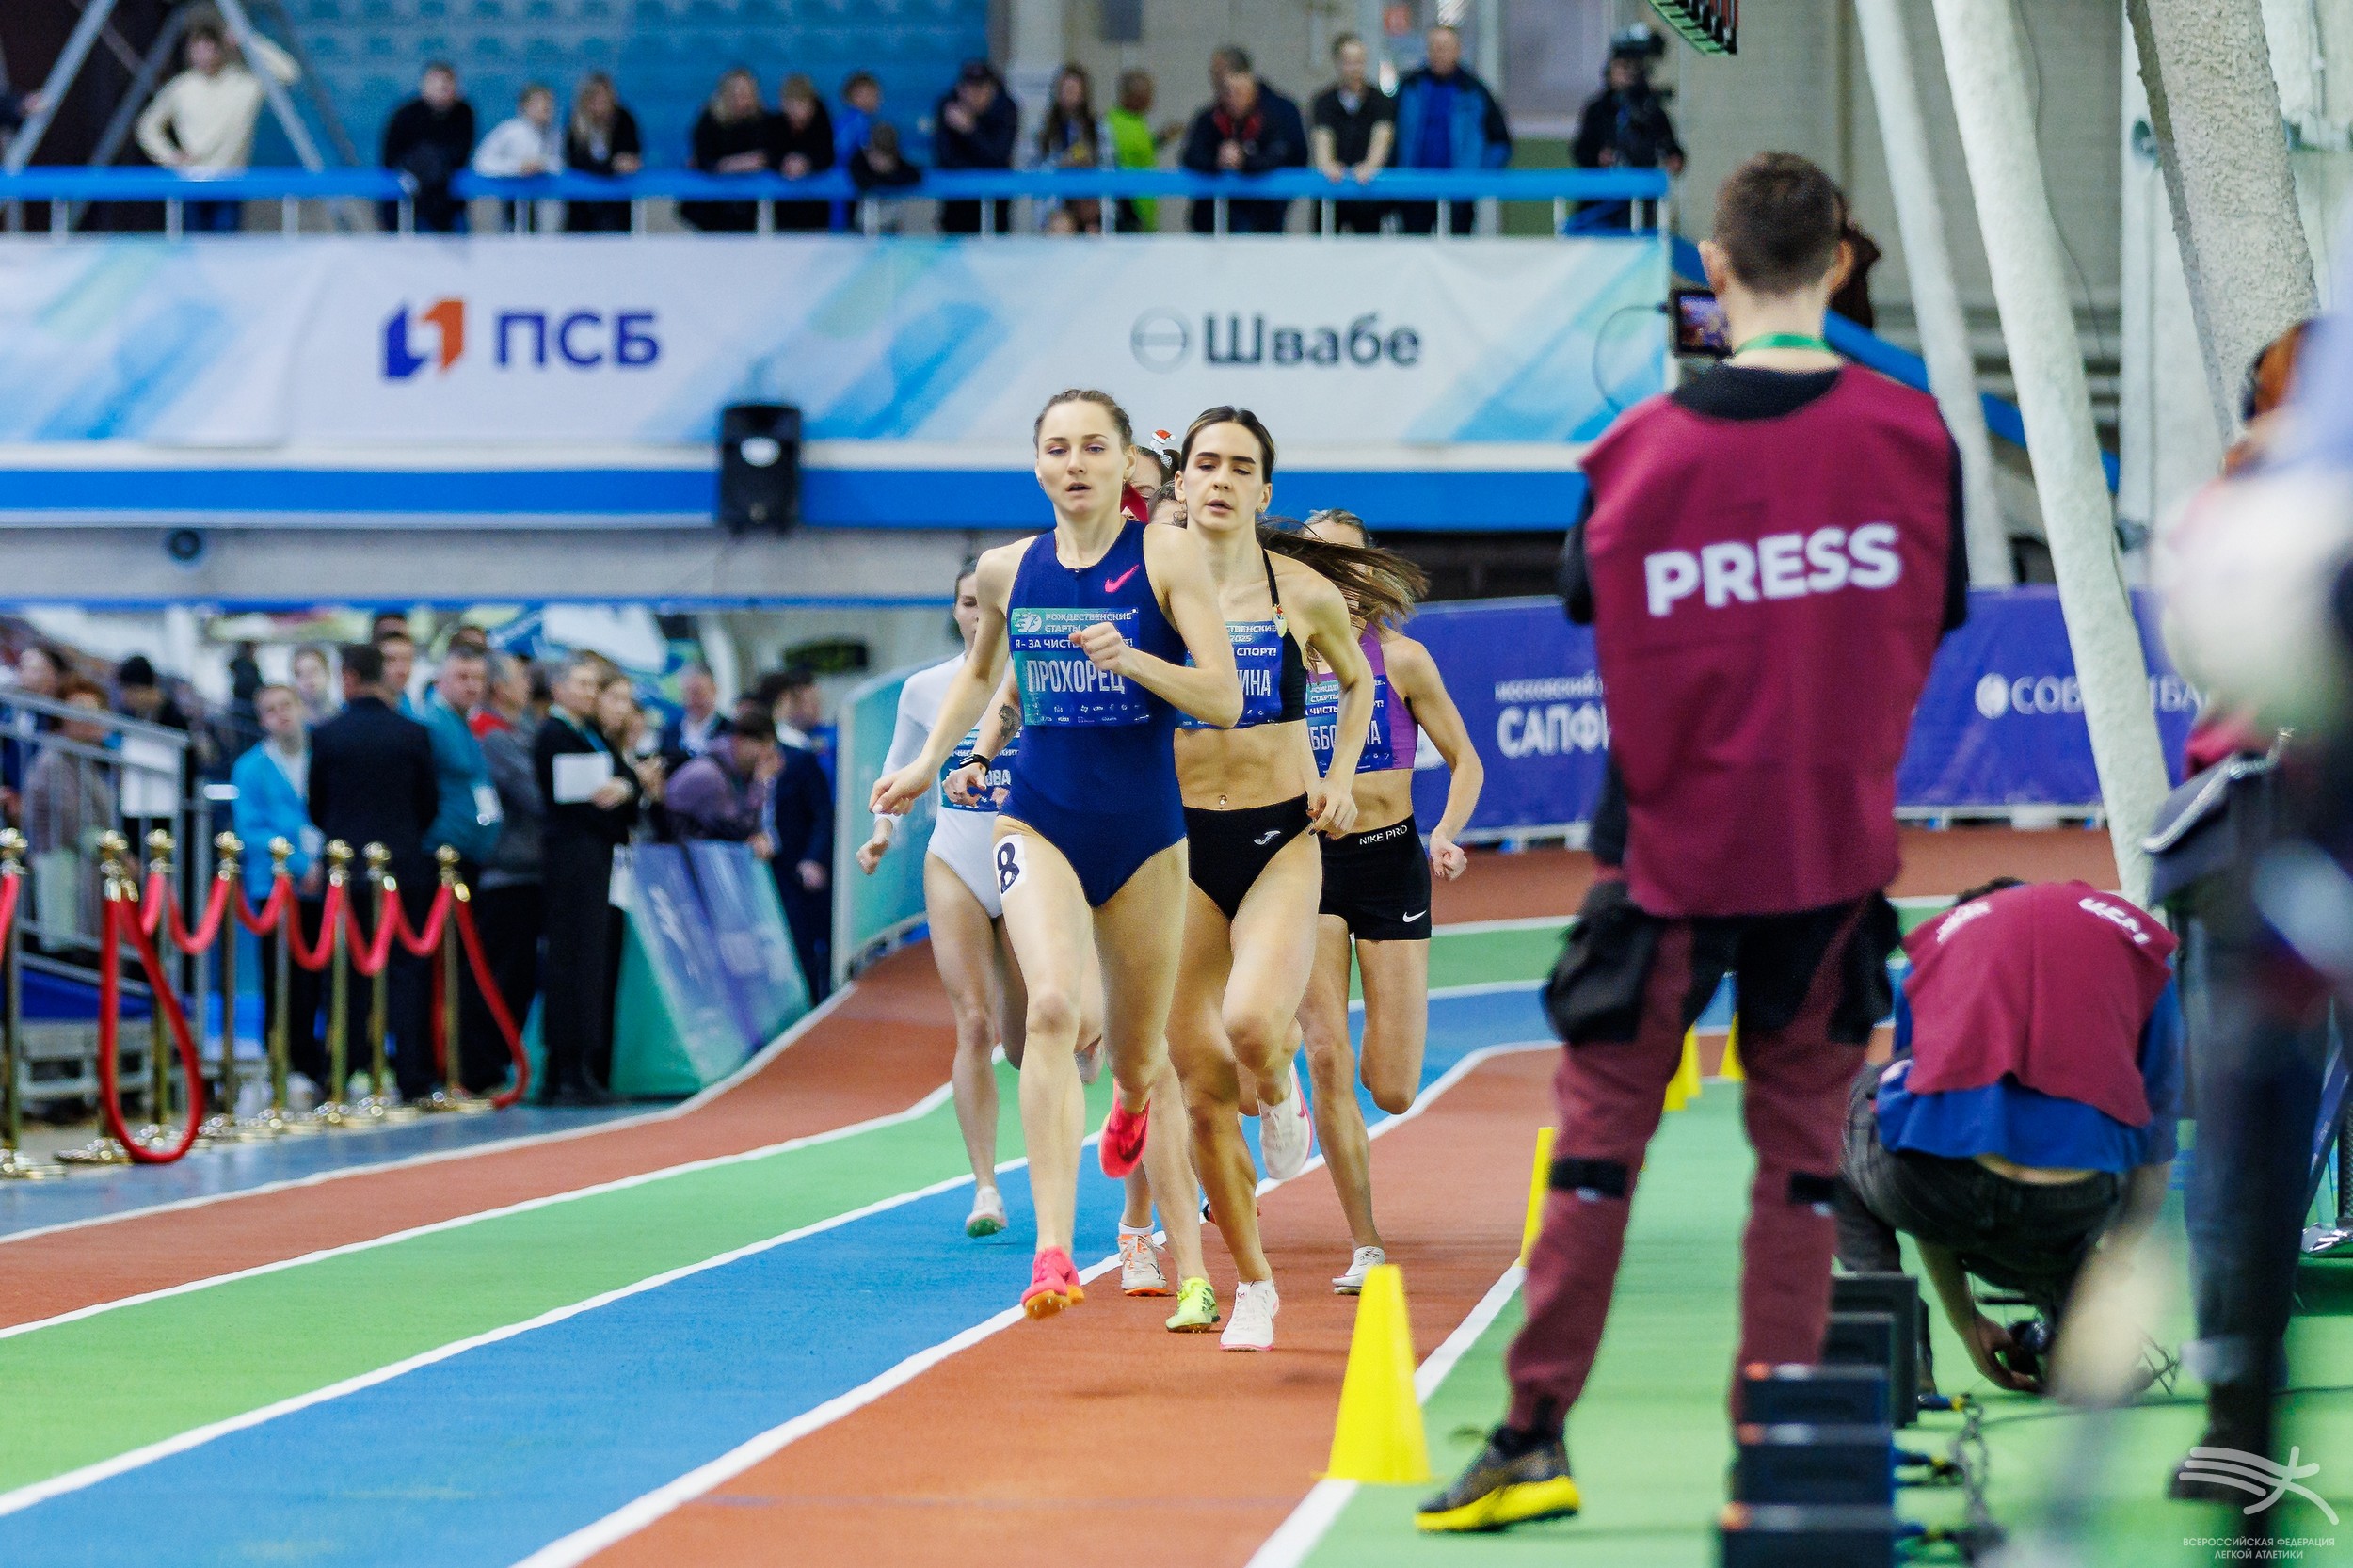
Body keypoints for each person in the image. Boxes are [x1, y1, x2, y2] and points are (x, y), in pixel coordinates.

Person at [1420, 152, 1969, 1532]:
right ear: (1840, 263)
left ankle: (1532, 1437)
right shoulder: (1914, 439)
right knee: (1800, 1171)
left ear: (1711, 272)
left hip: (1663, 856)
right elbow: (1939, 610)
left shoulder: (1637, 453)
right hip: (1830, 859)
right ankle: (1776, 1457)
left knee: (1596, 1155)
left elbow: (1584, 598)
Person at [872, 388, 1242, 1322]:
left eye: (1093, 447)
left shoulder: (1167, 556)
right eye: (1056, 448)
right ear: (1037, 464)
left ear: (1124, 462)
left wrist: (1134, 660)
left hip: (1145, 831)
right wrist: (924, 763)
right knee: (1049, 1010)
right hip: (1036, 817)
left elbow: (1225, 697)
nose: (1074, 463)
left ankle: (1132, 1108)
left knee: (1140, 1055)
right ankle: (1051, 1255)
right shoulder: (1008, 569)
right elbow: (979, 678)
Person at [1156, 409, 1404, 1350]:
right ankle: (1253, 1286)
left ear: (1264, 492)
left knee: (1256, 1024)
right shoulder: (1145, 588)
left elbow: (1358, 682)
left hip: (1279, 837)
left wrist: (1337, 777)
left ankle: (1280, 1085)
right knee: (1199, 1084)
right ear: (1181, 482)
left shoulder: (1300, 590)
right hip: (1176, 845)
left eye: (1240, 467)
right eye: (1205, 463)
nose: (1220, 479)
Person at [1833, 878, 2181, 1395]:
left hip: (1942, 1190)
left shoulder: (1940, 943)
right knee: (2086, 1179)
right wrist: (2109, 1269)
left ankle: (1896, 1343)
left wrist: (1965, 1321)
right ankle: (2073, 1331)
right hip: (2072, 1209)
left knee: (1832, 1108)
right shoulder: (2143, 948)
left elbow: (1920, 1130)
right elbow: (2158, 1148)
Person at [1293, 508, 1481, 1293]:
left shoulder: (1402, 660)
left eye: (1345, 563)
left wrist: (1445, 833)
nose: (1333, 578)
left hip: (1390, 865)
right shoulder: (1277, 658)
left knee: (1394, 1088)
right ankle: (1365, 1242)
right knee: (1326, 1055)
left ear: (1369, 573)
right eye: (1316, 562)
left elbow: (1465, 761)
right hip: (1306, 869)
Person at [307, 643, 440, 1103]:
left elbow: (317, 805)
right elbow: (428, 803)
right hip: (403, 867)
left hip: (346, 871)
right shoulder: (412, 734)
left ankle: (342, 1071)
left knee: (344, 974)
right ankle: (413, 1076)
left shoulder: (327, 735)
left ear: (347, 677)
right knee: (407, 972)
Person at [536, 652, 638, 1105]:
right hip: (570, 864)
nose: (589, 693)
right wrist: (617, 794)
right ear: (558, 689)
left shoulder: (591, 734)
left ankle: (583, 1067)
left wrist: (625, 789)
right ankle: (564, 1070)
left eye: (593, 685)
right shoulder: (555, 734)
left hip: (596, 862)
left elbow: (626, 782)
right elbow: (577, 802)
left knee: (590, 964)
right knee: (570, 963)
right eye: (579, 684)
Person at [232, 683, 328, 1088]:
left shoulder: (321, 756)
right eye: (270, 709)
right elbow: (250, 829)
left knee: (320, 975)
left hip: (324, 881)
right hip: (273, 886)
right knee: (281, 977)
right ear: (261, 720)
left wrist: (322, 864)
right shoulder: (250, 768)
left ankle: (318, 1060)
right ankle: (283, 1061)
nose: (281, 715)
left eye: (286, 705)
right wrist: (301, 864)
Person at [135, 19, 299, 232]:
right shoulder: (181, 87)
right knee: (191, 247)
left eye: (209, 47)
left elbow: (288, 73)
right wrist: (170, 156)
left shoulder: (244, 83)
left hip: (229, 184)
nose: (203, 55)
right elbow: (147, 127)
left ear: (221, 49)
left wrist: (247, 39)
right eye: (197, 49)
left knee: (225, 248)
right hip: (191, 184)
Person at [463, 653, 543, 1094]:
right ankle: (482, 1065)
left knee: (517, 975)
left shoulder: (517, 731)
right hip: (506, 872)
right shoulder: (493, 738)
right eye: (519, 677)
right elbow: (536, 793)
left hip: (524, 871)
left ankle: (496, 1061)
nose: (528, 683)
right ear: (500, 687)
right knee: (501, 974)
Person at [1391, 24, 1511, 237]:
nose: (1439, 53)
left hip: (1459, 194)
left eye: (1445, 47)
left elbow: (1500, 142)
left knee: (1457, 250)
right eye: (1434, 47)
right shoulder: (1409, 87)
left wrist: (1476, 177)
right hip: (1413, 191)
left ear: (1457, 50)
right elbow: (1389, 134)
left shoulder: (1475, 91)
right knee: (1413, 250)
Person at [23, 676, 116, 947]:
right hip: (64, 878)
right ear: (62, 718)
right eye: (81, 711)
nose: (91, 719)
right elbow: (71, 822)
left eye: (96, 711)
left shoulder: (89, 761)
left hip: (87, 877)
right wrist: (117, 853)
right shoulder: (53, 761)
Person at [761, 668, 834, 1000]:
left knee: (805, 943)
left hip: (794, 868)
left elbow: (822, 813)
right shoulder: (749, 755)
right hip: (762, 868)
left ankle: (815, 1003)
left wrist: (813, 859)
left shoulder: (800, 757)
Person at [1181, 49, 1307, 234]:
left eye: (1238, 92)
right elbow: (1190, 155)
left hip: (1264, 216)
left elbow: (1290, 156)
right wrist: (1217, 160)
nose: (1232, 99)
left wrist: (1244, 160)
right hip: (1212, 219)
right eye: (1228, 92)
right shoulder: (1210, 117)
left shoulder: (1278, 114)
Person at [1571, 24, 1683, 231]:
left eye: (1634, 68)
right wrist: (1599, 157)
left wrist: (1674, 158)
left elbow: (1670, 147)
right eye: (1622, 66)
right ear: (1610, 70)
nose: (1628, 73)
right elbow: (1581, 151)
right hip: (1601, 204)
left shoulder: (1652, 112)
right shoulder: (1598, 110)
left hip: (1642, 204)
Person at [423, 646, 502, 878]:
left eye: (479, 678)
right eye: (462, 677)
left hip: (470, 852)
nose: (472, 686)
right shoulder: (430, 723)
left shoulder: (465, 723)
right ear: (440, 680)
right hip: (442, 853)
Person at [1310, 34, 1394, 235]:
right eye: (1348, 62)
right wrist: (1327, 165)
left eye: (1359, 62)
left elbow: (1382, 137)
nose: (1354, 68)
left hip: (1367, 194)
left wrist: (1370, 166)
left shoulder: (1381, 102)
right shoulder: (1323, 102)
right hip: (1332, 193)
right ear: (1337, 63)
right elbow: (1322, 138)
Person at [379, 61, 474, 233]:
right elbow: (390, 157)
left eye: (446, 85)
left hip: (448, 201)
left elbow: (460, 154)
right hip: (411, 200)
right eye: (436, 84)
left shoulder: (463, 113)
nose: (441, 90)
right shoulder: (405, 114)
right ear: (424, 85)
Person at [665, 700, 776, 847]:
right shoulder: (710, 774)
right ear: (739, 740)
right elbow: (738, 829)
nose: (767, 754)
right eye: (763, 746)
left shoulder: (736, 771)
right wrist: (759, 784)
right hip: (677, 851)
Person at [934, 59, 1016, 236]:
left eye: (981, 89)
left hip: (996, 207)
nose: (975, 95)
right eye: (970, 89)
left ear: (992, 90)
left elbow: (998, 157)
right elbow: (945, 159)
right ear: (960, 90)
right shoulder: (949, 108)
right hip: (957, 206)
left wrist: (971, 130)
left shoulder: (1006, 109)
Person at [682, 68, 770, 232]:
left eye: (745, 94)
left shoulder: (761, 121)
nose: (740, 99)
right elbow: (701, 159)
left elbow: (768, 156)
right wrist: (733, 164)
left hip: (745, 207)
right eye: (735, 93)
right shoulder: (709, 119)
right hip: (709, 207)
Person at [472, 83, 561, 232]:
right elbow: (481, 162)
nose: (544, 107)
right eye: (539, 102)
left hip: (540, 203)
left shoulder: (555, 135)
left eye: (548, 103)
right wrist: (517, 167)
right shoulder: (509, 131)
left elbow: (560, 164)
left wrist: (542, 166)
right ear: (524, 106)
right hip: (506, 202)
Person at [562, 72, 643, 233]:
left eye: (604, 99)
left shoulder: (624, 119)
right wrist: (612, 167)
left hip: (616, 205)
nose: (599, 105)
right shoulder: (575, 123)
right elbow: (576, 162)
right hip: (581, 206)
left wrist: (624, 164)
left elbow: (631, 156)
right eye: (594, 99)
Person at [1036, 62, 1105, 233]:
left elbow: (1107, 165)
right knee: (1060, 228)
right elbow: (1034, 166)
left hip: (1089, 202)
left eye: (1075, 90)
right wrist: (1061, 163)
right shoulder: (1044, 128)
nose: (1070, 94)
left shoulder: (1096, 127)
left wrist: (1089, 164)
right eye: (1066, 89)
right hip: (1055, 201)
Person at [768, 73, 836, 232]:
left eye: (801, 103)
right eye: (791, 104)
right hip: (783, 210)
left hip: (817, 209)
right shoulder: (775, 124)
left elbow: (828, 156)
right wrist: (784, 164)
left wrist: (807, 163)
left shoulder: (822, 124)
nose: (796, 110)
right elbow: (768, 156)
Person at [1105, 69, 1167, 232]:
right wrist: (1133, 217)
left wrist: (1161, 139)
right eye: (1145, 95)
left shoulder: (1138, 121)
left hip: (1146, 210)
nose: (1151, 100)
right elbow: (1121, 166)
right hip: (1131, 217)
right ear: (1130, 96)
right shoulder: (1113, 125)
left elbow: (1142, 153)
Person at [846, 122, 921, 229]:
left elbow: (915, 176)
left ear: (892, 156)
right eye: (873, 153)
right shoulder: (858, 163)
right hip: (859, 225)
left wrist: (888, 173)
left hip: (890, 225)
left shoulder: (901, 168)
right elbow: (862, 182)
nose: (875, 160)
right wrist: (881, 178)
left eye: (882, 155)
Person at [658, 664, 728, 766]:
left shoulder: (729, 731)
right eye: (686, 693)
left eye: (697, 693)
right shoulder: (669, 732)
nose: (691, 700)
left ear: (714, 689)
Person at [374, 630, 420, 716]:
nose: (401, 670)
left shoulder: (411, 709)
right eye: (391, 659)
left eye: (407, 659)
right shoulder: (357, 710)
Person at [289, 644, 337, 726]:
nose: (308, 679)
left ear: (328, 673)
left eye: (314, 671)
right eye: (299, 674)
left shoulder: (346, 716)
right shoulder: (291, 726)